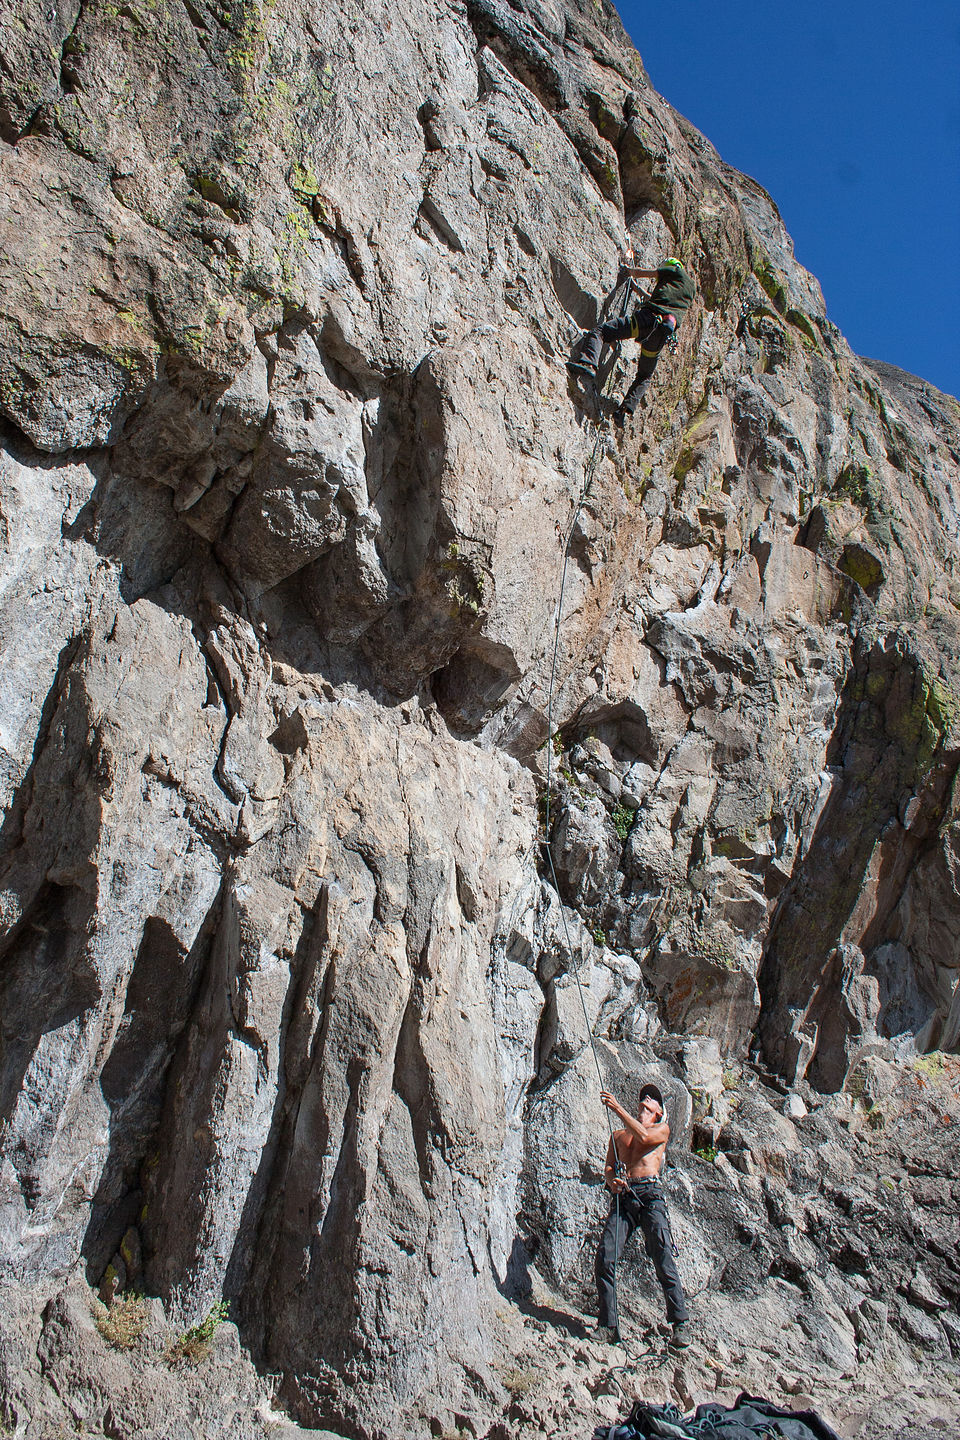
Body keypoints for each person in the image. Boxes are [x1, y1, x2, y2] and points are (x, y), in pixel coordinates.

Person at [594, 1081, 689, 1346]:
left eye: (651, 1102)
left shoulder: (661, 1130)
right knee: (605, 1255)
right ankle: (608, 1325)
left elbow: (644, 1138)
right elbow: (610, 1168)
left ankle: (680, 1323)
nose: (645, 1103)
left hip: (650, 1195)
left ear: (658, 1112)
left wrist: (616, 1107)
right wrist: (612, 1181)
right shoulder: (618, 1136)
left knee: (662, 1253)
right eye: (643, 1102)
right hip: (625, 1197)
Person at [568, 255, 696, 421]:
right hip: (661, 334)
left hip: (647, 320)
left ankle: (588, 364)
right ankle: (625, 411)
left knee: (601, 331)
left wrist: (629, 271)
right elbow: (662, 300)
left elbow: (648, 273)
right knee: (645, 375)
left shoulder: (675, 270)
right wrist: (638, 290)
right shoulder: (689, 288)